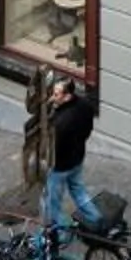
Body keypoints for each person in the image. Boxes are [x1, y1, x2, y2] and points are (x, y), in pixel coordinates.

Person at [43, 76, 106, 235]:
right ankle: (95, 218)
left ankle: (60, 233)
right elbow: (88, 130)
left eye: (56, 94)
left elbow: (53, 147)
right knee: (78, 190)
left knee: (52, 200)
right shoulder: (84, 105)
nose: (52, 97)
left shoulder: (61, 122)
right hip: (77, 158)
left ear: (67, 96)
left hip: (60, 166)